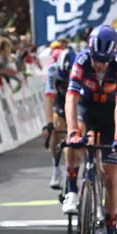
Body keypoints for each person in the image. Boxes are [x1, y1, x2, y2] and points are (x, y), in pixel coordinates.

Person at [62, 25, 117, 234]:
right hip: (86, 110)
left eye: (104, 60)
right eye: (96, 59)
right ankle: (72, 188)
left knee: (110, 177)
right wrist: (72, 131)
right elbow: (70, 98)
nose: (99, 64)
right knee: (73, 137)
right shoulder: (81, 61)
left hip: (110, 115)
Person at [42, 37, 75, 189]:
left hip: (77, 102)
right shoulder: (52, 70)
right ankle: (56, 168)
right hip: (60, 102)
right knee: (56, 129)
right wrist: (48, 123)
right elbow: (49, 98)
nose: (68, 81)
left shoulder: (80, 70)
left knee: (76, 137)